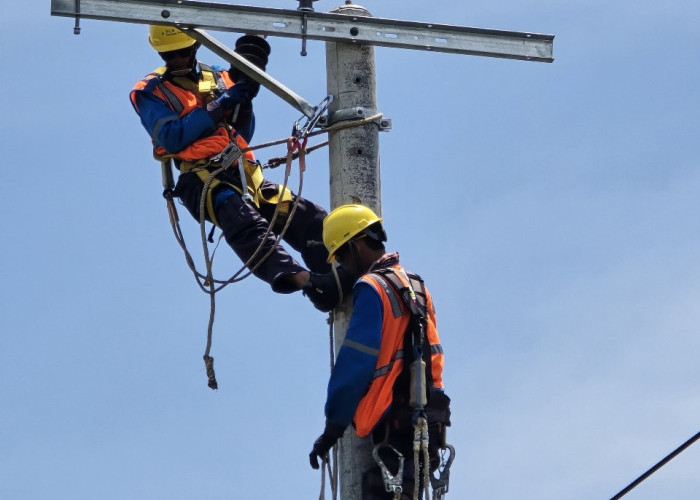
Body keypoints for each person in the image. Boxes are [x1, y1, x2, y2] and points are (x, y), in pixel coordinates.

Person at [130, 25, 351, 312]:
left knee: (305, 216)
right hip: (202, 179)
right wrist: (221, 105)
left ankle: (342, 271)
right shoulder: (150, 90)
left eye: (183, 52)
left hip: (244, 172)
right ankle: (308, 282)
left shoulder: (219, 76)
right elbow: (172, 137)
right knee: (245, 222)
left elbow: (243, 132)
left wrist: (242, 105)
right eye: (169, 55)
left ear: (195, 46)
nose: (178, 59)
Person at [308, 204, 453, 499]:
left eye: (343, 256)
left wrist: (333, 427)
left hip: (392, 424)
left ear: (357, 244)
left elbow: (356, 361)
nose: (344, 266)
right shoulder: (416, 285)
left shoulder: (372, 286)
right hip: (429, 423)